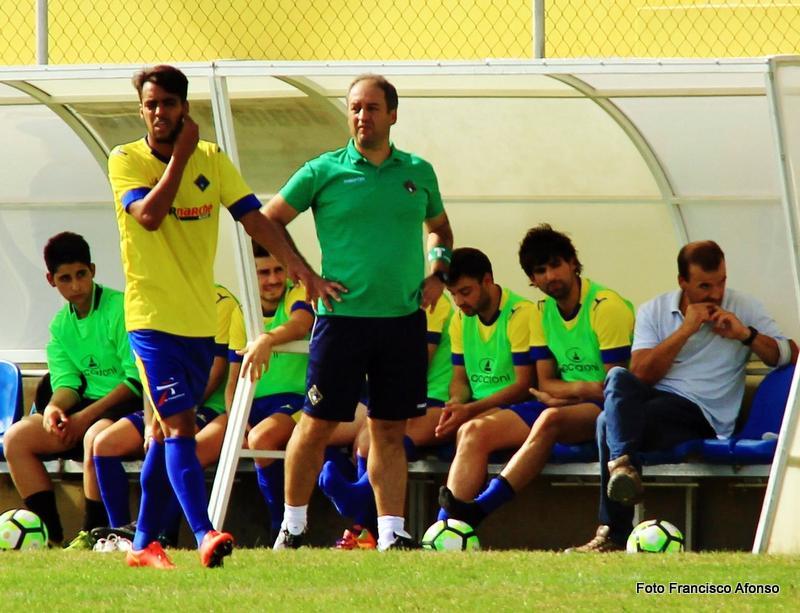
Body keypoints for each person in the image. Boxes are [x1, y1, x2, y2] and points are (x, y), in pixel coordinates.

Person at [108, 65, 333, 568]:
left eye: (168, 103)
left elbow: (255, 217)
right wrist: (181, 158)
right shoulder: (125, 158)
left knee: (166, 435)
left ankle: (143, 544)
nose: (159, 112)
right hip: (150, 320)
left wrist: (305, 273)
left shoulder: (213, 159)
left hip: (198, 322)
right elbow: (148, 215)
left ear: (184, 106)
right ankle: (205, 532)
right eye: (150, 104)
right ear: (141, 109)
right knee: (181, 426)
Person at [264, 74, 453, 550]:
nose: (362, 116)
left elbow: (441, 229)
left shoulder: (418, 171)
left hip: (402, 322)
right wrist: (305, 275)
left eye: (371, 108)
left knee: (389, 428)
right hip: (341, 323)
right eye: (354, 108)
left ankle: (392, 533)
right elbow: (268, 221)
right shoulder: (322, 170)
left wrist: (438, 273)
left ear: (392, 114)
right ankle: (293, 527)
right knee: (317, 424)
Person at [569, 240, 796, 552]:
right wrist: (685, 330)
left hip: (702, 413)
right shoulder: (654, 310)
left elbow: (787, 354)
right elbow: (642, 373)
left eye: (721, 282)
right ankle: (622, 470)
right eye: (705, 286)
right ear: (683, 282)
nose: (716, 294)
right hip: (655, 402)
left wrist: (746, 335)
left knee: (606, 423)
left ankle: (613, 524)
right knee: (617, 377)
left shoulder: (745, 307)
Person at [439, 225, 635, 526]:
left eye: (555, 265)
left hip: (608, 412)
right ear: (531, 279)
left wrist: (567, 393)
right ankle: (445, 529)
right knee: (471, 430)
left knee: (548, 419)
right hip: (562, 403)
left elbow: (615, 390)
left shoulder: (605, 307)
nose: (549, 277)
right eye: (539, 271)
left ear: (573, 262)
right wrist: (566, 392)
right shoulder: (541, 311)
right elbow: (544, 383)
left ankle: (474, 512)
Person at [3, 232, 143, 547]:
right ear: (51, 280)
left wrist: (84, 419)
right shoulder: (59, 326)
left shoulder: (120, 308)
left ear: (92, 270)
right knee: (16, 438)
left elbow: (134, 381)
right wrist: (54, 409)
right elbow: (67, 382)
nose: (76, 285)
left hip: (127, 405)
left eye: (81, 275)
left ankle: (92, 534)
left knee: (95, 437)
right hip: (86, 410)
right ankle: (51, 538)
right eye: (66, 278)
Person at [227, 244, 364, 540]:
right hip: (256, 404)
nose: (273, 279)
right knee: (319, 453)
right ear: (252, 276)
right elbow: (233, 379)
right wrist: (236, 418)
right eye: (264, 273)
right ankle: (355, 520)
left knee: (263, 438)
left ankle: (282, 526)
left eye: (278, 270)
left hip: (298, 400)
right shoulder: (243, 312)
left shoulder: (297, 291)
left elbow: (301, 324)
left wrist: (265, 340)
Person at [91, 283, 239, 542]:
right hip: (163, 404)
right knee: (104, 444)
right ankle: (122, 533)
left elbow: (215, 370)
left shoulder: (221, 303)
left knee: (178, 443)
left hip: (202, 406)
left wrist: (174, 410)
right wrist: (151, 422)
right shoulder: (149, 306)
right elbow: (149, 375)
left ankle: (164, 534)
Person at [317, 293, 454, 549]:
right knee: (325, 430)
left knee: (376, 439)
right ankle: (361, 522)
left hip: (430, 397)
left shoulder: (429, 301)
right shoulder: (375, 299)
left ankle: (361, 523)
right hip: (388, 393)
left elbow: (415, 363)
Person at [430, 247, 537, 520]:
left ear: (487, 281)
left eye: (465, 292)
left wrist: (471, 410)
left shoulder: (521, 313)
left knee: (472, 431)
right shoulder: (459, 319)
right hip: (481, 408)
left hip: (523, 406)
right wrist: (455, 404)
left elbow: (524, 385)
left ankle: (447, 526)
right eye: (453, 294)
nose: (459, 302)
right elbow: (459, 380)